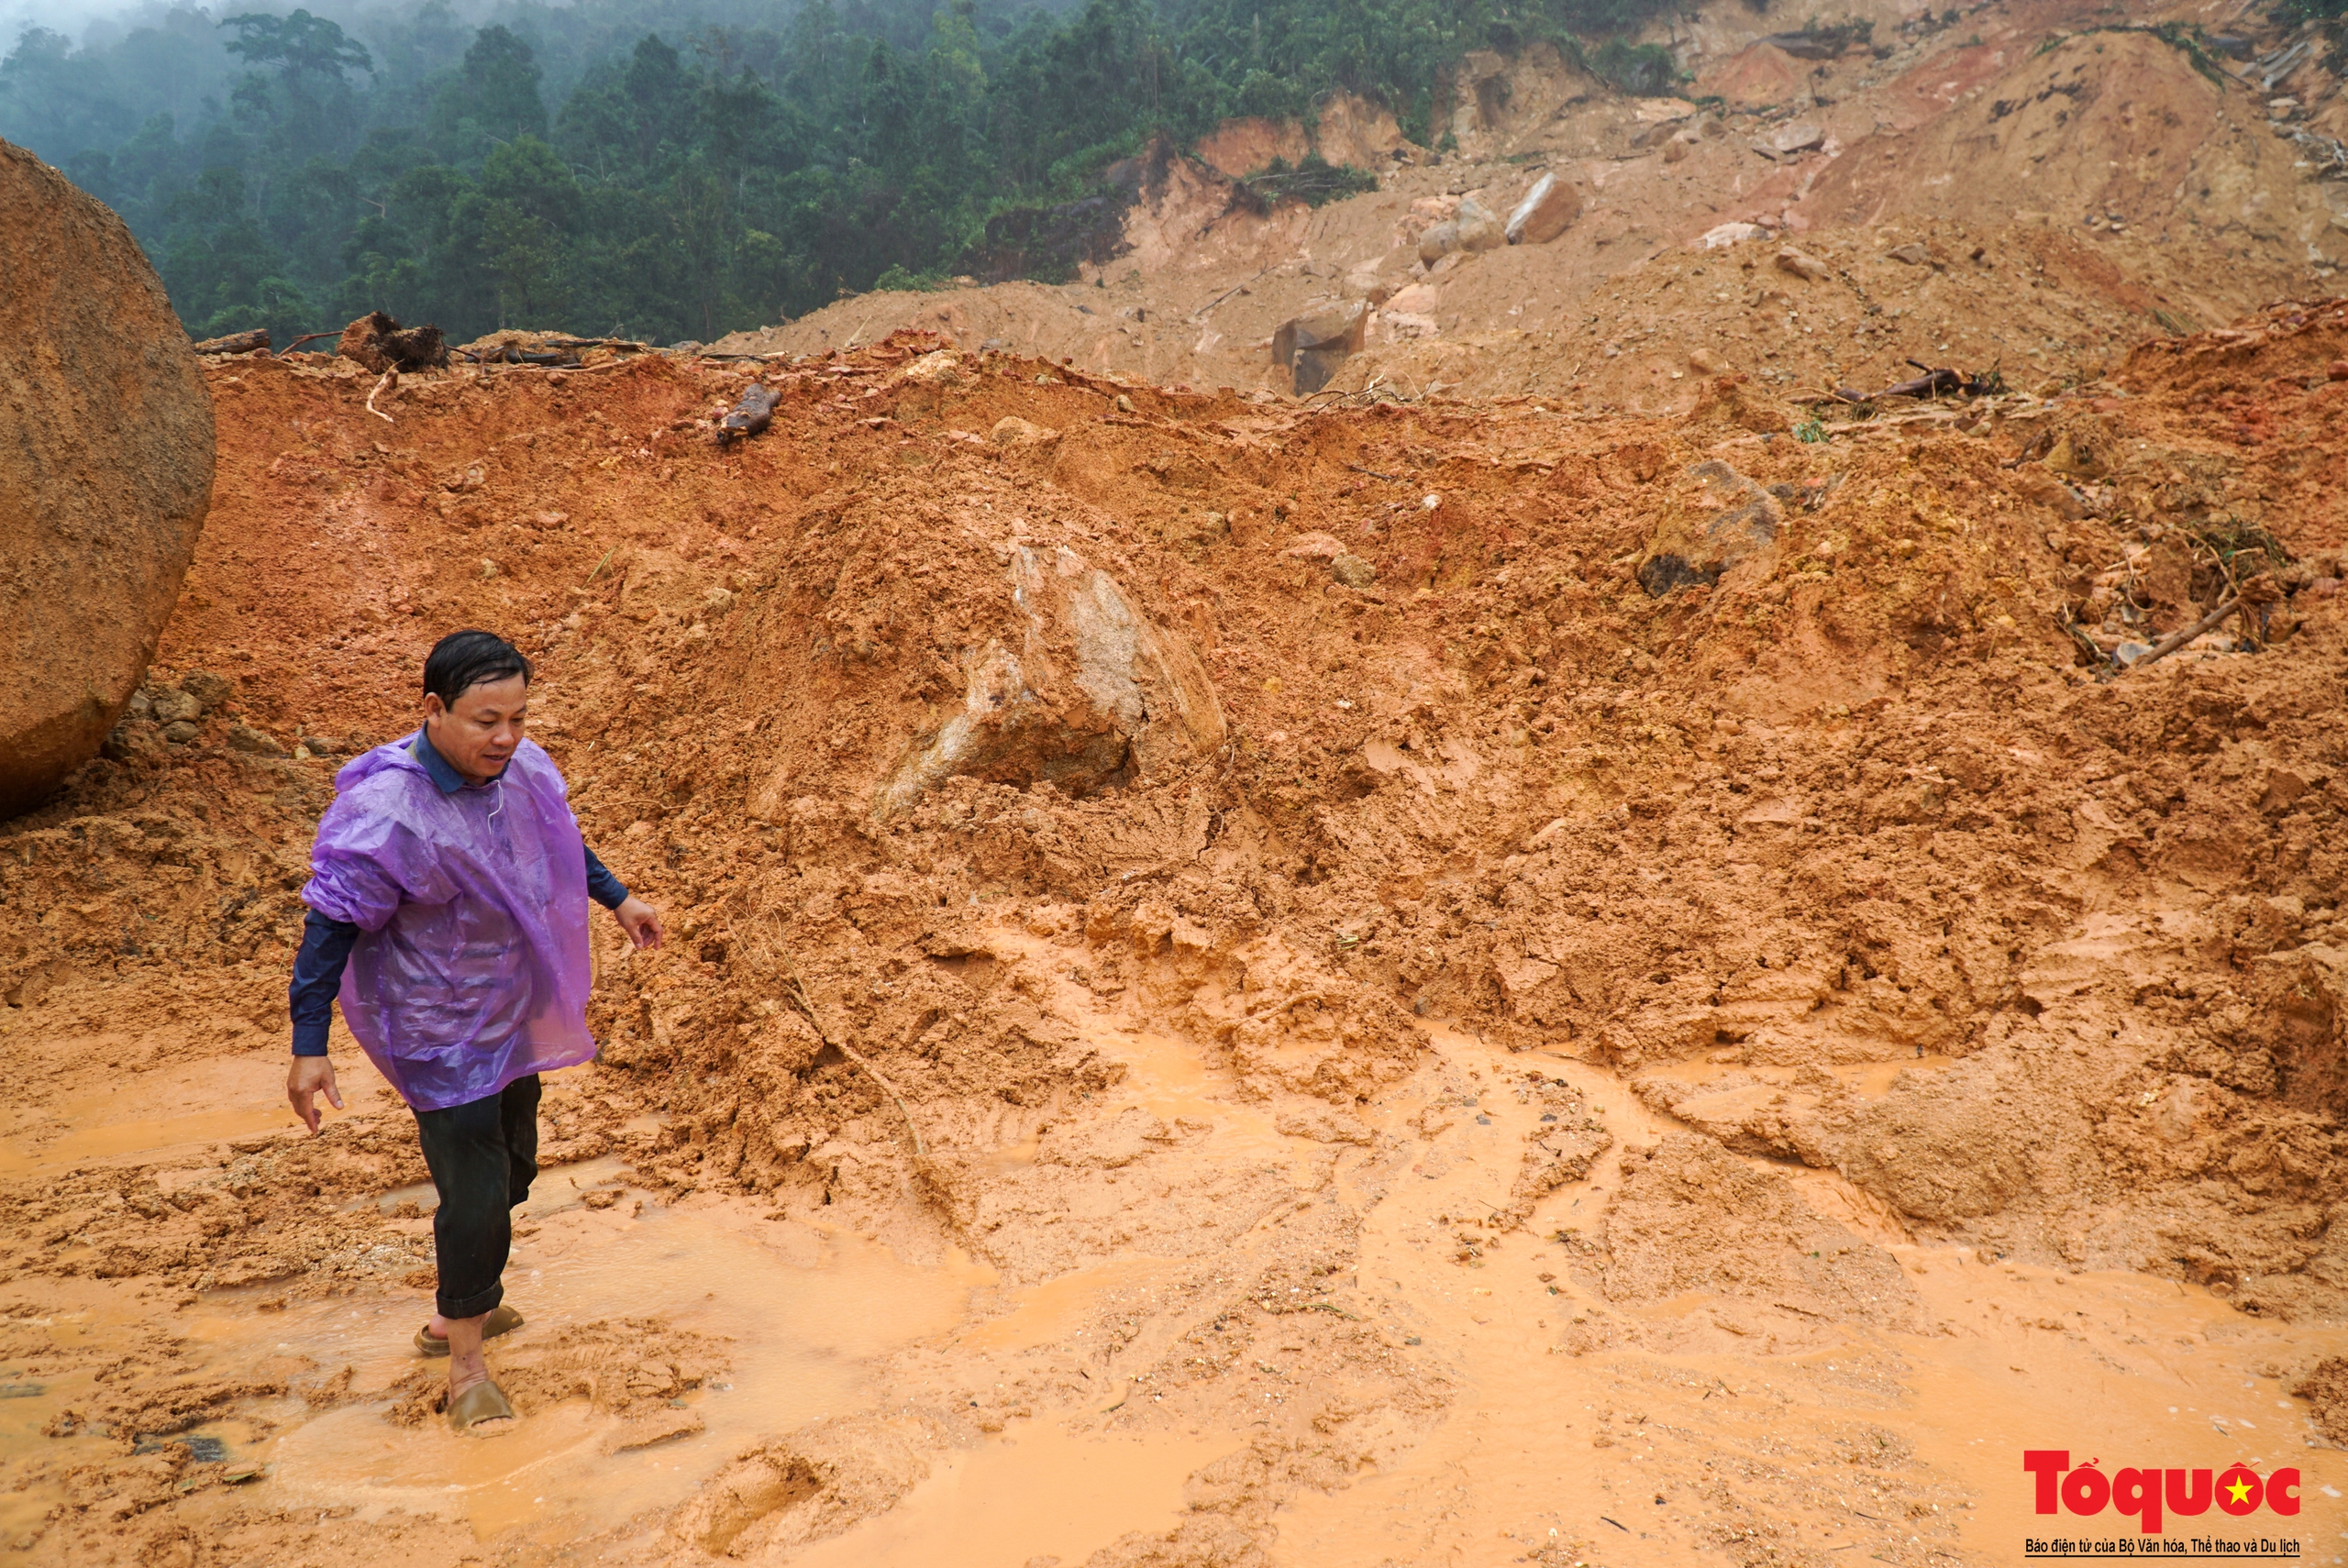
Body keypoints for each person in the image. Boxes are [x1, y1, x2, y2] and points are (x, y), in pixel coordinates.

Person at [283, 630, 662, 1434]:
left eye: (520, 717)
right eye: (488, 720)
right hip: (435, 1029)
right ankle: (465, 1367)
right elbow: (329, 928)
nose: (508, 737)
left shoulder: (514, 768)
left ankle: (454, 1309)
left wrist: (619, 897)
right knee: (477, 1194)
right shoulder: (385, 812)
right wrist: (309, 1046)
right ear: (433, 710)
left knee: (516, 1169)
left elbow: (558, 840)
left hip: (507, 1007)